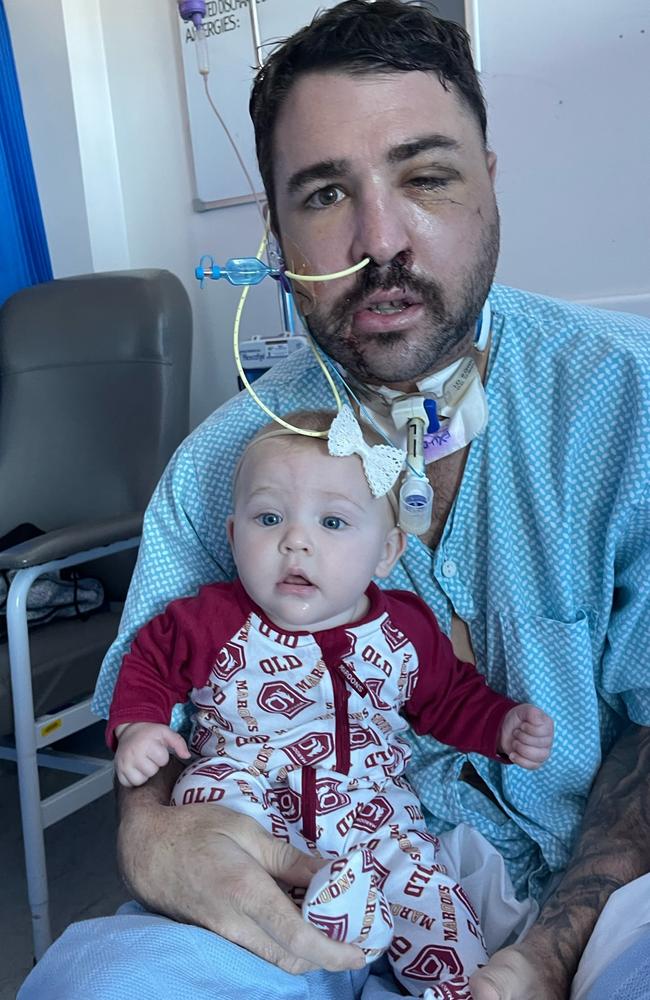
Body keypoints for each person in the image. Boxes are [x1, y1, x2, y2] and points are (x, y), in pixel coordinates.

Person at [18, 2, 650, 999]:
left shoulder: (628, 407)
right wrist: (151, 837)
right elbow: (156, 695)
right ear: (274, 231)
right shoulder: (217, 469)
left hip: (610, 889)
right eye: (322, 194)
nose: (380, 238)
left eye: (425, 175)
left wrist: (553, 951)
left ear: (490, 183)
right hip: (305, 882)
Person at [107, 409, 553, 998]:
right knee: (211, 834)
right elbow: (148, 662)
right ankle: (276, 954)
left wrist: (501, 725)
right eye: (269, 518)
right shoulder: (210, 620)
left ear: (387, 552)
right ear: (233, 535)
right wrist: (138, 726)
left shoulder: (407, 632)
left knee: (434, 900)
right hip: (246, 795)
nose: (296, 540)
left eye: (334, 522)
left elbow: (448, 698)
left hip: (371, 812)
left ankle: (443, 980)